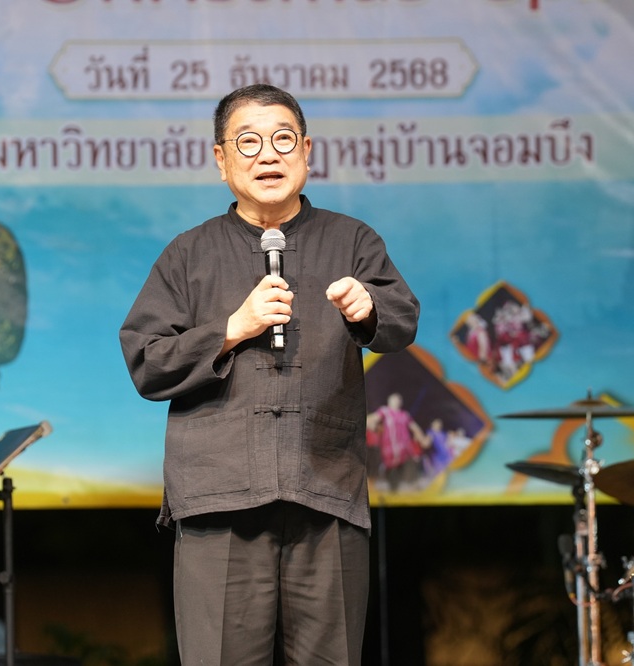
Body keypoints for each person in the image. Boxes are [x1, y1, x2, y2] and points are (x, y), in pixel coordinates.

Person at [119, 83, 419, 665]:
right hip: (220, 501)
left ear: (306, 151)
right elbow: (147, 361)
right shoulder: (188, 254)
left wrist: (368, 309)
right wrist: (231, 328)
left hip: (325, 491)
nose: (268, 156)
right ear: (221, 159)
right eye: (248, 142)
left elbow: (401, 321)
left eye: (283, 140)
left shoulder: (352, 240)